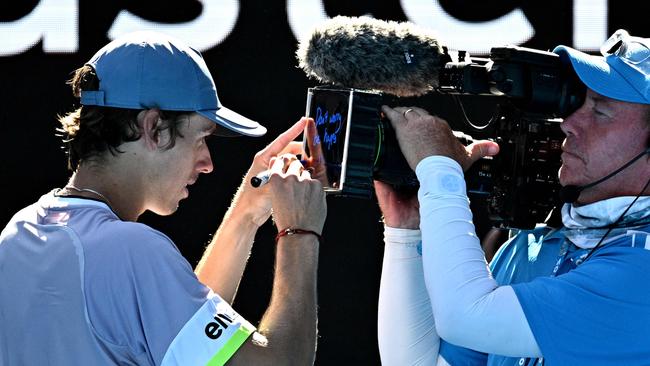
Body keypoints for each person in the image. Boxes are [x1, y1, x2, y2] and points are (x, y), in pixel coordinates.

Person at [0, 31, 327, 366]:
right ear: (153, 127)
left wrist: (246, 213)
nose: (208, 163)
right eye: (201, 138)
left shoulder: (18, 232)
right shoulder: (131, 251)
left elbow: (176, 332)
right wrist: (299, 231)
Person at [376, 29, 650, 365]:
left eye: (601, 112)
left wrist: (440, 173)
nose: (570, 123)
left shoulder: (642, 274)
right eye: (581, 103)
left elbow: (466, 315)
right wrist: (407, 230)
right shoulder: (533, 248)